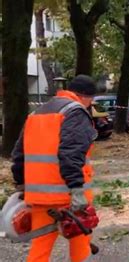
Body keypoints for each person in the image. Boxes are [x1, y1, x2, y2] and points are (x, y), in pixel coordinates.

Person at [11, 75, 98, 262]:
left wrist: (21, 184)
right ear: (86, 97)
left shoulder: (36, 114)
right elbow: (71, 153)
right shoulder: (76, 112)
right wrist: (76, 189)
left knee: (40, 248)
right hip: (69, 197)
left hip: (40, 198)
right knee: (80, 247)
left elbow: (19, 154)